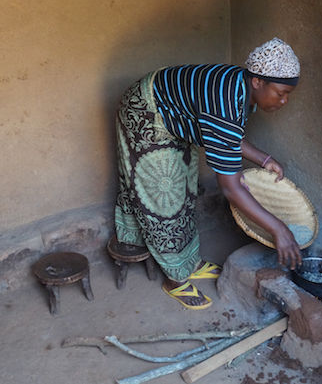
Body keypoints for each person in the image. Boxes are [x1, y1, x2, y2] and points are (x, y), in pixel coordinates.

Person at [114, 37, 302, 310]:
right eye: (281, 92)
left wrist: (264, 159)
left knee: (185, 187)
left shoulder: (239, 87)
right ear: (257, 82)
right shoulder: (225, 100)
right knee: (164, 193)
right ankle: (174, 279)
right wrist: (279, 229)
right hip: (145, 112)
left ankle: (188, 261)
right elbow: (230, 187)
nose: (284, 101)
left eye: (287, 95)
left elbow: (229, 136)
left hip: (172, 115)